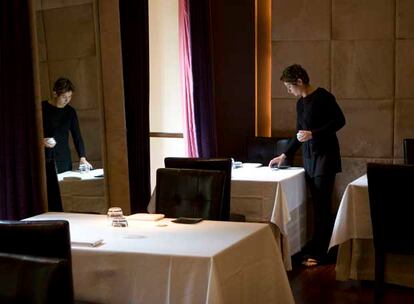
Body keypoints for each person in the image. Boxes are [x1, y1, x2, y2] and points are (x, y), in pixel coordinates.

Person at [269, 64, 345, 266]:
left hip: (325, 158)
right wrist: (284, 155)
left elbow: (340, 121)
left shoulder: (323, 97)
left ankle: (323, 253)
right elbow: (299, 133)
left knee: (322, 206)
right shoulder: (300, 103)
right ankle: (317, 246)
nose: (288, 90)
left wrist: (314, 133)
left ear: (300, 81)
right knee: (317, 206)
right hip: (310, 159)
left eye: (289, 86)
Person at [42, 78, 92, 211]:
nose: (67, 100)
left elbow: (77, 136)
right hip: (44, 156)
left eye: (69, 96)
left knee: (64, 192)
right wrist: (41, 141)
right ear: (54, 94)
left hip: (63, 156)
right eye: (64, 97)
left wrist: (82, 157)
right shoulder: (42, 108)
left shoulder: (70, 112)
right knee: (47, 192)